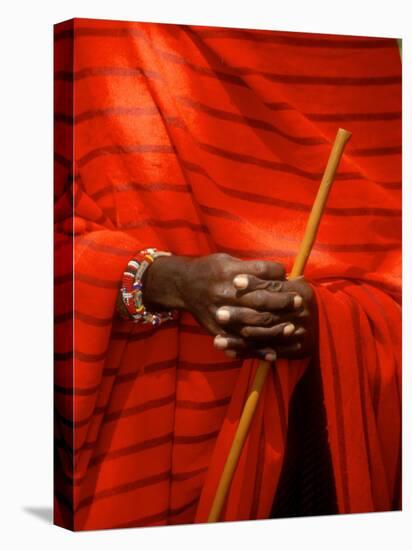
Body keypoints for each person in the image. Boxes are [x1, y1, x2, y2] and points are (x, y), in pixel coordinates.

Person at [54, 18, 401, 530]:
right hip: (130, 435)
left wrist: (330, 324)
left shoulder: (367, 47)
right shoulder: (95, 33)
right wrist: (159, 279)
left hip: (305, 473)